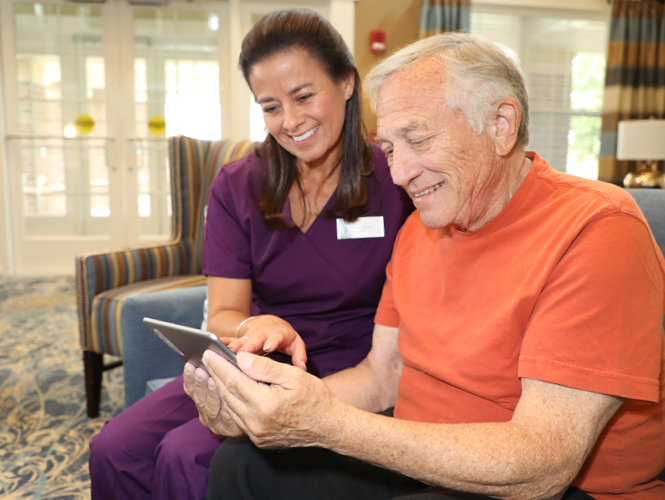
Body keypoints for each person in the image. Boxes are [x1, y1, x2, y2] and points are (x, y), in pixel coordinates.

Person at [186, 32, 665, 500]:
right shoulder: (420, 229)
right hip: (417, 452)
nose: (399, 173)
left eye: (417, 139)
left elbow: (543, 464)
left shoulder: (597, 227)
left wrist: (326, 424)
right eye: (391, 148)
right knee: (242, 464)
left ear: (501, 124)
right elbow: (381, 376)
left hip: (544, 483)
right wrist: (269, 409)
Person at [88, 9, 413, 500]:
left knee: (187, 456)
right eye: (271, 106)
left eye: (304, 96)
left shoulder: (396, 180)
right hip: (252, 359)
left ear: (347, 83)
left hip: (350, 364)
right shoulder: (238, 185)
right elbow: (224, 312)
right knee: (113, 447)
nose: (292, 121)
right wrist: (250, 330)